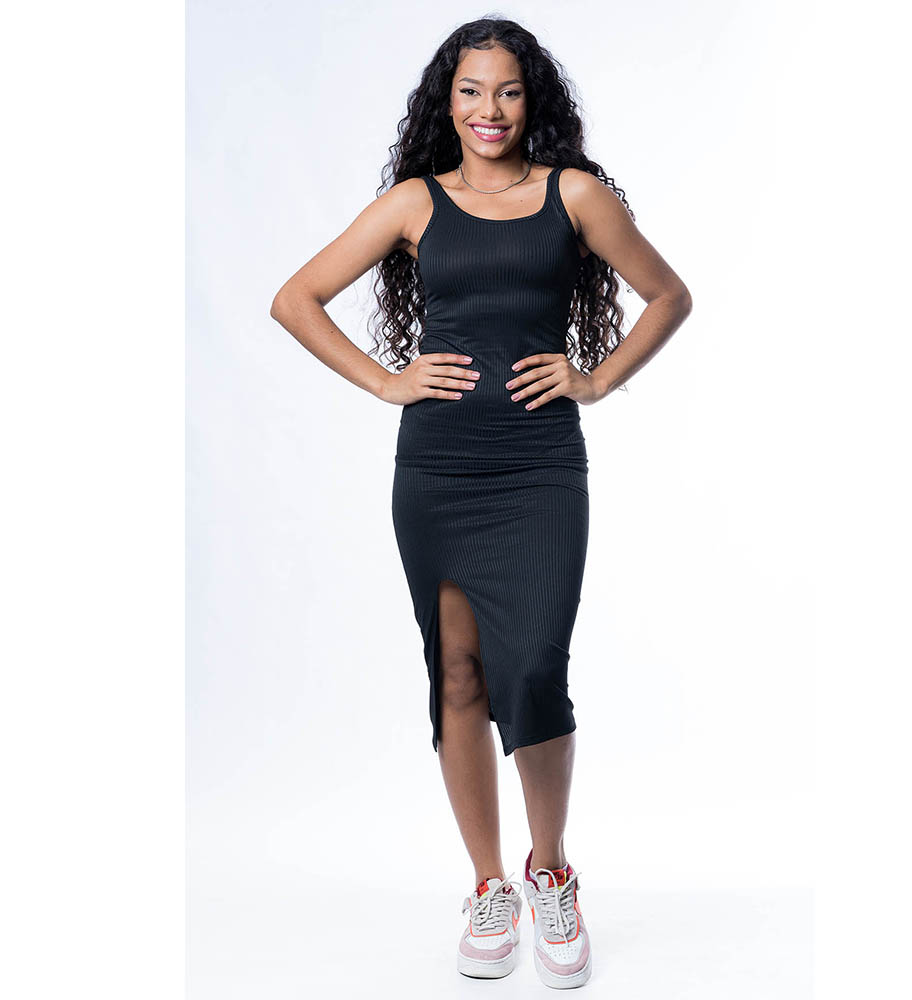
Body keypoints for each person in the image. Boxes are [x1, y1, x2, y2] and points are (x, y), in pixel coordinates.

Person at [270, 16, 692, 989]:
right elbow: (296, 298)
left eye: (507, 90)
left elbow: (668, 295)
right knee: (458, 676)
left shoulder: (572, 195)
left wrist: (595, 378)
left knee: (534, 670)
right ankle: (489, 886)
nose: (489, 109)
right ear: (447, 100)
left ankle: (553, 871)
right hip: (438, 470)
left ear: (530, 98)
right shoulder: (415, 203)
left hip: (539, 467)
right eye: (470, 91)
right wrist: (386, 382)